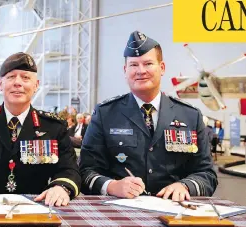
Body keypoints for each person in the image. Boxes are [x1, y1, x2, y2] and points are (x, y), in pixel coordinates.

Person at [79, 31, 217, 202]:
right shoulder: (105, 113)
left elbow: (207, 174)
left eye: (148, 63)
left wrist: (185, 185)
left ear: (162, 68)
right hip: (120, 211)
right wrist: (112, 186)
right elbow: (86, 170)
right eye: (134, 65)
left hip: (175, 212)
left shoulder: (190, 116)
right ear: (125, 70)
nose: (141, 71)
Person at [0, 52, 81, 207]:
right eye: (11, 77)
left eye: (25, 77)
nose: (18, 83)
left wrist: (61, 187)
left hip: (37, 207)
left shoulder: (53, 127)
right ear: (0, 83)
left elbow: (70, 170)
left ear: (36, 85)